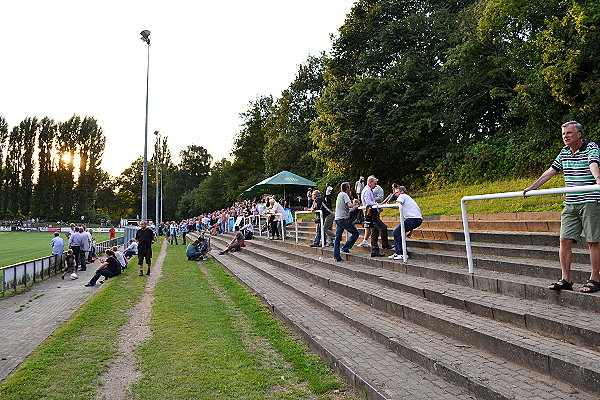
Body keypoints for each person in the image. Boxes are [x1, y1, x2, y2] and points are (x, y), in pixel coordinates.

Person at [524, 121, 600, 293]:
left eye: (569, 133)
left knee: (593, 240)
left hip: (589, 200)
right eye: (564, 133)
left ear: (579, 134)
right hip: (571, 202)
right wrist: (532, 187)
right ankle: (566, 279)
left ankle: (595, 278)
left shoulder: (591, 147)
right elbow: (551, 170)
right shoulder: (564, 152)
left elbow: (593, 163)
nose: (566, 136)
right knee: (564, 240)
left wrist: (598, 179)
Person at [361, 175, 392, 257]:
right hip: (372, 212)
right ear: (370, 182)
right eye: (374, 184)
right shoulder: (367, 191)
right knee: (383, 227)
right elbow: (368, 202)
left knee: (375, 231)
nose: (375, 186)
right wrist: (377, 204)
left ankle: (375, 251)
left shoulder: (368, 190)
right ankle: (385, 245)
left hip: (371, 212)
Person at [388, 186, 422, 260]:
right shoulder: (408, 198)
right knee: (398, 232)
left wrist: (387, 204)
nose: (395, 194)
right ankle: (398, 252)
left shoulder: (402, 196)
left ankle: (402, 253)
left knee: (396, 232)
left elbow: (398, 205)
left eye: (396, 192)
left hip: (413, 219)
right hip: (415, 219)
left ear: (402, 191)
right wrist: (411, 230)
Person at [333, 182, 360, 261]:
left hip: (337, 218)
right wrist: (356, 205)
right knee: (356, 233)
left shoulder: (339, 195)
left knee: (337, 238)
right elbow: (350, 205)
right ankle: (345, 248)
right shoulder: (345, 195)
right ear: (347, 188)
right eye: (349, 187)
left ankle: (336, 256)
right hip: (343, 219)